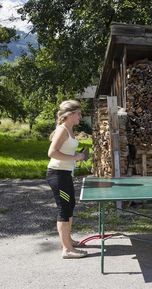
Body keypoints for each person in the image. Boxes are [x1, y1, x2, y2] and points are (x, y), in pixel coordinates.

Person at [46, 100, 88, 258]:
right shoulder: (62, 130)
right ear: (70, 115)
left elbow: (66, 151)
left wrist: (78, 156)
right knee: (64, 209)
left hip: (65, 174)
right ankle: (67, 249)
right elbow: (52, 152)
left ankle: (68, 241)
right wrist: (76, 156)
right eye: (78, 113)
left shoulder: (70, 129)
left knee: (69, 205)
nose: (80, 116)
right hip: (57, 174)